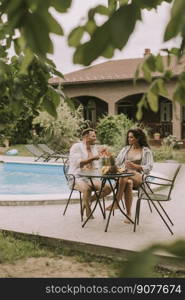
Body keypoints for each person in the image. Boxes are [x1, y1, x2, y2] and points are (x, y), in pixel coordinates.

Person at [106, 128, 153, 223]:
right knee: (128, 182)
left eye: (131, 137)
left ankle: (116, 202)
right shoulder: (125, 149)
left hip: (140, 177)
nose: (129, 139)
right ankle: (128, 214)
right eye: (128, 137)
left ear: (138, 138)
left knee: (125, 176)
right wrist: (109, 156)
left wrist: (135, 166)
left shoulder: (146, 151)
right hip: (126, 176)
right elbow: (117, 163)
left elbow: (149, 167)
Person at [68, 128, 111, 218]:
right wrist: (94, 158)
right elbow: (79, 163)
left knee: (107, 188)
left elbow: (97, 165)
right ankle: (88, 210)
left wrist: (105, 158)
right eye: (93, 136)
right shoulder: (76, 147)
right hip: (77, 177)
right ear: (86, 137)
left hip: (92, 177)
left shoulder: (94, 149)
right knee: (87, 189)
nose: (95, 138)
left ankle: (87, 201)